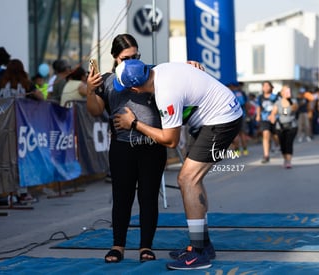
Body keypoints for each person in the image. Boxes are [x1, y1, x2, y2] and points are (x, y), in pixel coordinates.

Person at [112, 59, 243, 270]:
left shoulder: (165, 93)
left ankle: (199, 253)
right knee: (194, 179)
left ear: (134, 89)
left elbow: (170, 140)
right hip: (223, 114)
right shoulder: (160, 70)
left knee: (187, 178)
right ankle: (204, 245)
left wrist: (134, 123)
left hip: (221, 120)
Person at [86, 34, 168, 264]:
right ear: (115, 58)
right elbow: (94, 111)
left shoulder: (150, 74)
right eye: (126, 58)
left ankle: (146, 247)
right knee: (122, 198)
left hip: (152, 146)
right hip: (122, 147)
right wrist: (90, 90)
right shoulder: (107, 80)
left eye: (136, 56)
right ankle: (117, 246)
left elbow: (174, 82)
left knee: (148, 197)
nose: (132, 61)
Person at [268, 85, 298, 168]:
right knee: (282, 144)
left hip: (292, 125)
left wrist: (289, 101)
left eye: (289, 91)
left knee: (289, 143)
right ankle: (285, 159)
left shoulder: (293, 101)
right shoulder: (278, 102)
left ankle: (289, 161)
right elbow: (273, 113)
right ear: (282, 93)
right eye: (286, 91)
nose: (288, 93)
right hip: (280, 126)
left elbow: (294, 108)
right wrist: (272, 117)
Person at [256, 81, 278, 163]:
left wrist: (274, 115)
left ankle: (277, 144)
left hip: (274, 119)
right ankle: (266, 155)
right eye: (264, 86)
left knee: (276, 136)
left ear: (271, 87)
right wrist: (258, 115)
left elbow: (279, 106)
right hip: (264, 118)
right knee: (265, 135)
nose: (265, 87)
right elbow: (258, 107)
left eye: (267, 86)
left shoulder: (275, 97)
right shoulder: (260, 97)